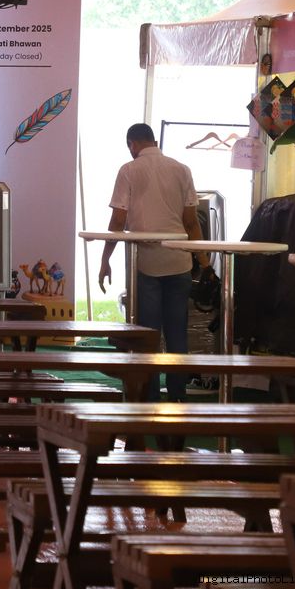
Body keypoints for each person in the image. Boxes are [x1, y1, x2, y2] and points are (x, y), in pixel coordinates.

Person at [97, 123, 209, 401]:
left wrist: (105, 258)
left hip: (146, 263)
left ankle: (150, 399)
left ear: (132, 144)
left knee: (148, 337)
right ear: (154, 141)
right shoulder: (182, 169)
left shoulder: (128, 170)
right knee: (177, 335)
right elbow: (191, 222)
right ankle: (178, 397)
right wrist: (205, 262)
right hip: (179, 262)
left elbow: (118, 221)